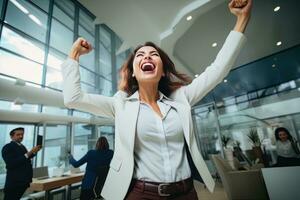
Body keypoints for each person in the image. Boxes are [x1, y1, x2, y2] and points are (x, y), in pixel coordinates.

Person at [62, 0, 252, 199]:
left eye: (154, 55)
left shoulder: (181, 99)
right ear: (133, 72)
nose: (147, 57)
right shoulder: (121, 105)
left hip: (186, 193)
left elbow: (217, 70)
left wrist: (241, 19)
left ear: (162, 71)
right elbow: (73, 99)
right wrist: (74, 55)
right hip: (140, 193)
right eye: (140, 56)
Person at [1, 127, 42, 200]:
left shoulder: (22, 146)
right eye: (18, 134)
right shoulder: (7, 147)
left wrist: (34, 151)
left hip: (23, 182)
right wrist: (30, 152)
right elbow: (11, 163)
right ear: (11, 136)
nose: (21, 136)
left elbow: (25, 159)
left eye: (22, 134)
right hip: (14, 183)